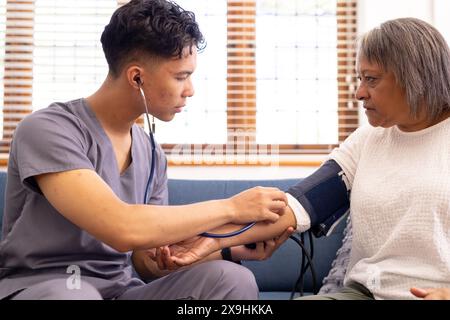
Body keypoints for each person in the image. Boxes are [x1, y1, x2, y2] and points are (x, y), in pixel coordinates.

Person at [0, 0, 301, 300]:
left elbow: (146, 264)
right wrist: (232, 208)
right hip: (45, 289)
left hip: (120, 292)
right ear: (137, 77)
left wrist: (225, 249)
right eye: (181, 76)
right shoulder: (47, 129)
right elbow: (122, 227)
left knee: (231, 279)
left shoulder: (151, 152)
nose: (190, 89)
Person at [164, 17, 450, 300]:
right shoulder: (367, 141)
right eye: (360, 79)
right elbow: (298, 206)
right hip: (363, 293)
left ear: (416, 76)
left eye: (371, 79)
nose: (359, 92)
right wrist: (210, 240)